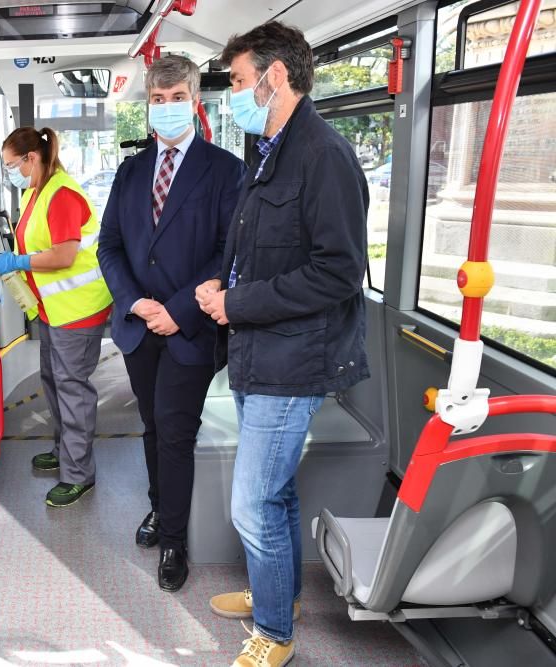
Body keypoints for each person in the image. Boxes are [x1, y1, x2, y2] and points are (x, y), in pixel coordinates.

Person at [195, 21, 370, 667]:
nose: (234, 94)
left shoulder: (321, 155)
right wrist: (224, 283)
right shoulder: (267, 148)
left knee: (253, 502)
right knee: (279, 491)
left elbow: (336, 270)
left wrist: (234, 302)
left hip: (293, 358)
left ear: (274, 76)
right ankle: (285, 595)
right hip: (259, 351)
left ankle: (274, 632)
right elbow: (259, 248)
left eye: (239, 81)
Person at [97, 55, 246, 592]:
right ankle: (161, 509)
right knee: (154, 426)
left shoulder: (224, 169)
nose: (164, 109)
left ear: (195, 102)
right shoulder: (131, 170)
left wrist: (175, 310)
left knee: (176, 430)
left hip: (190, 327)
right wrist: (136, 303)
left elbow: (229, 253)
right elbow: (109, 245)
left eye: (175, 98)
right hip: (139, 327)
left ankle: (175, 540)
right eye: (155, 101)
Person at [0, 127, 113, 508]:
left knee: (72, 390)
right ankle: (65, 450)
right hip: (54, 308)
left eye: (11, 165)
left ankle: (78, 474)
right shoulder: (35, 192)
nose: (9, 172)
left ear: (31, 158)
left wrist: (16, 261)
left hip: (78, 308)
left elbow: (64, 256)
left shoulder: (62, 194)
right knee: (54, 381)